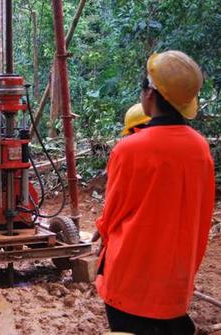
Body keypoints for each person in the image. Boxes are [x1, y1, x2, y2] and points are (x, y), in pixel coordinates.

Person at [95, 51, 214, 334]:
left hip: (130, 281)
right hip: (176, 282)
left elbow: (111, 216)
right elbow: (203, 211)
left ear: (150, 93)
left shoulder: (129, 149)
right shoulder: (200, 149)